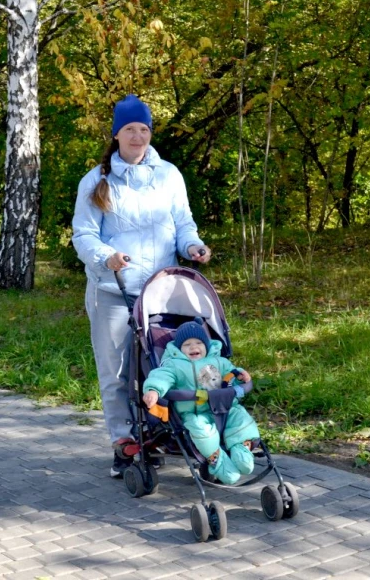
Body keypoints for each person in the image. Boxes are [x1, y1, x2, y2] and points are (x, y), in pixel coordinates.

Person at [72, 94, 212, 479]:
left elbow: (183, 223)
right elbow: (83, 235)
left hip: (161, 293)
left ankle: (160, 432)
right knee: (117, 372)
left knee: (166, 365)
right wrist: (106, 256)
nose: (137, 136)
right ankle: (125, 442)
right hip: (112, 291)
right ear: (117, 134)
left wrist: (192, 246)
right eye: (130, 129)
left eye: (144, 129)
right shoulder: (96, 181)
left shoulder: (168, 174)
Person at [141, 319, 259, 485]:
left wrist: (240, 375)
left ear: (206, 345)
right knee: (201, 430)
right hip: (195, 412)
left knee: (241, 418)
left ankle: (241, 447)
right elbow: (161, 377)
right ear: (179, 349)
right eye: (187, 344)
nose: (193, 347)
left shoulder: (219, 361)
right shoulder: (174, 365)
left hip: (224, 408)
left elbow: (231, 374)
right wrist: (154, 390)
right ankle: (216, 459)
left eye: (198, 343)